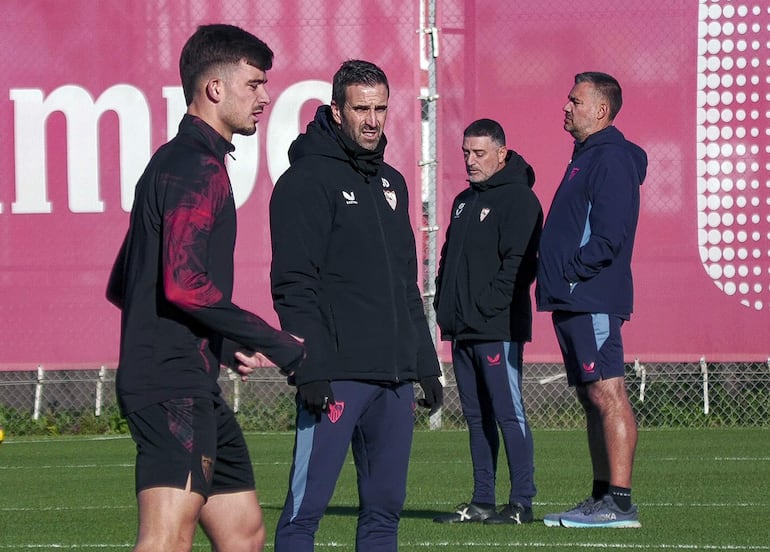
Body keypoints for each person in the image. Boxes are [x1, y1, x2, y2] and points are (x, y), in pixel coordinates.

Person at [106, 24, 306, 552]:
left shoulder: (181, 162)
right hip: (170, 387)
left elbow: (125, 280)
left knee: (243, 531)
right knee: (166, 540)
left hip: (191, 384)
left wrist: (219, 338)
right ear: (215, 88)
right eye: (254, 84)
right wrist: (280, 345)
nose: (265, 97)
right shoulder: (195, 167)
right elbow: (185, 283)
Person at [269, 59, 443, 552]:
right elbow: (293, 284)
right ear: (336, 111)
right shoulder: (305, 181)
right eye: (361, 108)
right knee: (305, 513)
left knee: (385, 514)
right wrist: (311, 368)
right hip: (337, 374)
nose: (372, 119)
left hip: (393, 380)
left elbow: (406, 286)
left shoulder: (392, 182)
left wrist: (424, 366)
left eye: (380, 108)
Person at [536, 71, 647, 528]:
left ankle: (620, 504)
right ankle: (602, 496)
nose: (566, 106)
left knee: (608, 391)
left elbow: (610, 235)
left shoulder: (611, 158)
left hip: (590, 296)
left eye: (575, 100)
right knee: (591, 395)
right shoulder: (587, 156)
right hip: (573, 298)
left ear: (600, 110)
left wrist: (571, 273)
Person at [432, 119, 542, 525]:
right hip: (462, 330)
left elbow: (519, 265)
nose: (470, 160)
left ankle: (521, 503)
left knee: (507, 413)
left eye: (479, 153)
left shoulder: (520, 200)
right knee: (475, 417)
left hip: (498, 329)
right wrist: (447, 306)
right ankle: (482, 500)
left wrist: (487, 308)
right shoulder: (463, 200)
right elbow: (447, 259)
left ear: (501, 152)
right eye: (465, 152)